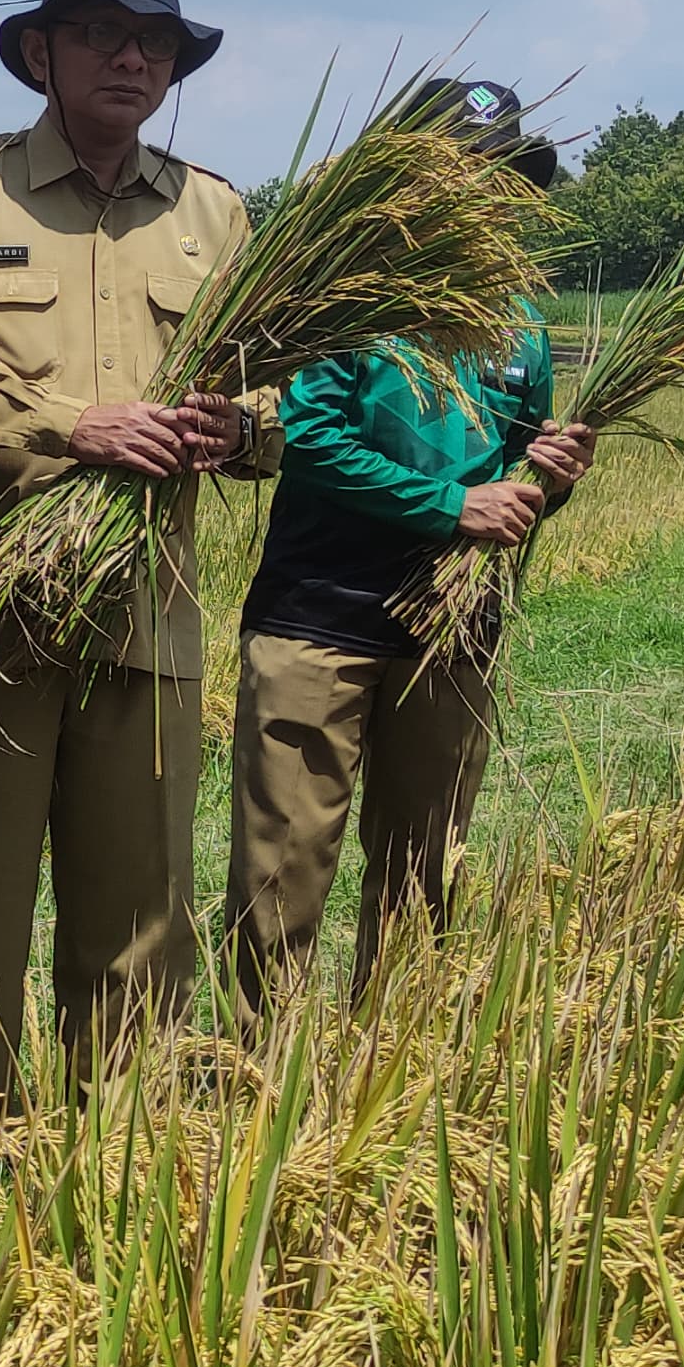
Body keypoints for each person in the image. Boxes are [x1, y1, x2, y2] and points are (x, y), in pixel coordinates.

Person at [0, 0, 271, 1097]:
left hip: (143, 616)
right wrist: (72, 425)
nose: (130, 58)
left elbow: (273, 389)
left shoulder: (214, 214)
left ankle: (126, 1137)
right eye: (101, 34)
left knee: (139, 899)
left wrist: (238, 431)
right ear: (41, 54)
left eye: (153, 41)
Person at [227, 79, 593, 1004]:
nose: (478, 192)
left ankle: (388, 1070)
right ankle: (262, 1083)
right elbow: (306, 436)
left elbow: (509, 474)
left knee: (425, 872)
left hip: (451, 630)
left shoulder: (521, 323)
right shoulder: (347, 300)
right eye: (457, 170)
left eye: (498, 175)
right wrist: (450, 506)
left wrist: (544, 480)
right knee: (284, 871)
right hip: (321, 619)